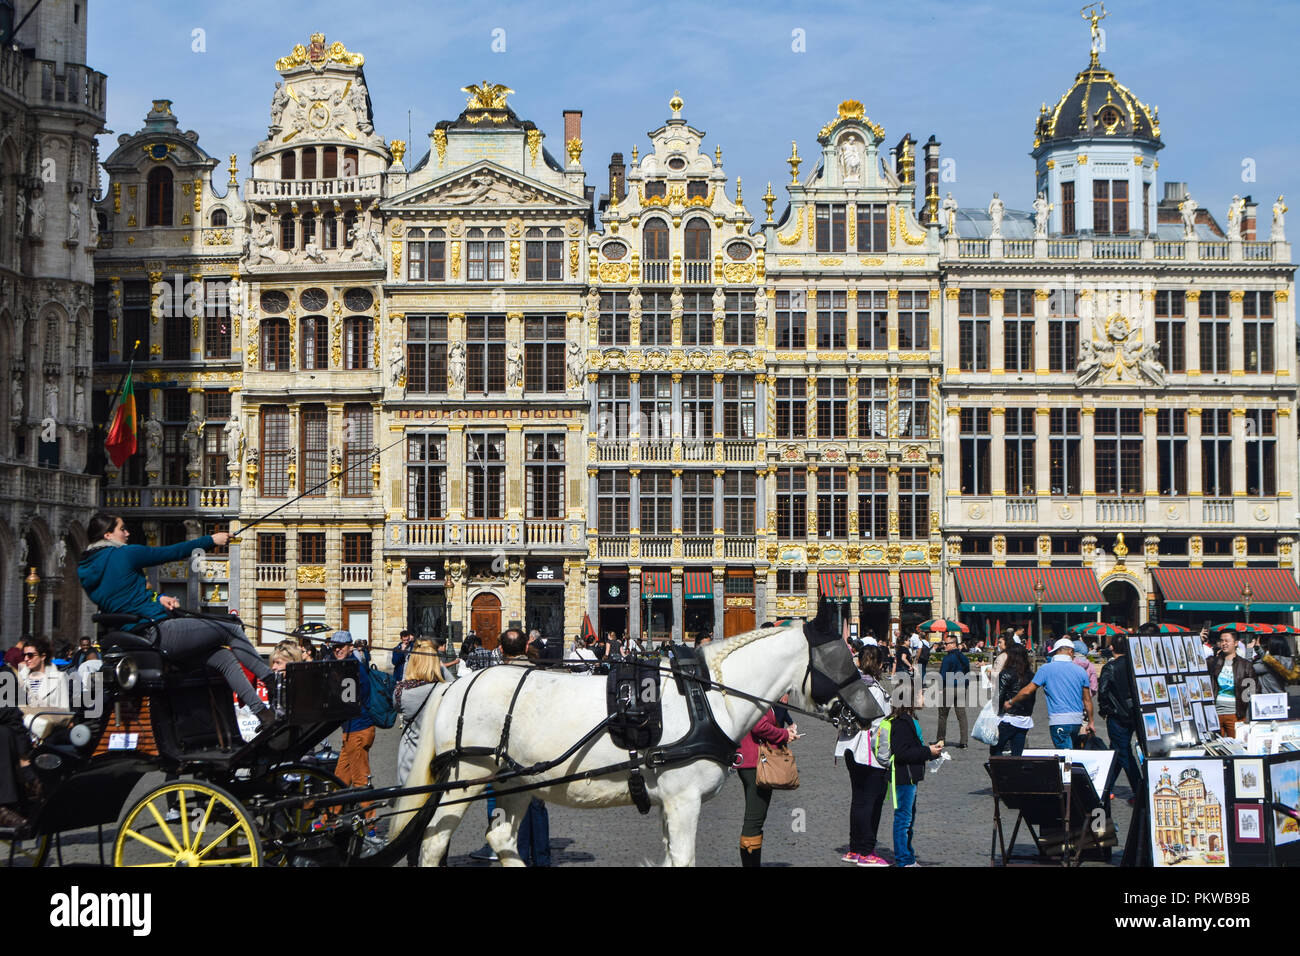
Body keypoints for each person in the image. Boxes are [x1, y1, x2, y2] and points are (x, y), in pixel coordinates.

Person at [77, 513, 276, 729]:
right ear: (107, 535)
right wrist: (211, 540)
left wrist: (158, 598)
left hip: (135, 640)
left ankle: (264, 714)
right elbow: (172, 552)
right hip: (157, 632)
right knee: (231, 628)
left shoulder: (85, 570)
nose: (127, 533)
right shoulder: (124, 554)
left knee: (223, 657)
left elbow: (123, 599)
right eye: (122, 529)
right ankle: (274, 683)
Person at [496, 628, 552, 866]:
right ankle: (541, 859)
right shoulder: (539, 673)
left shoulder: (496, 677)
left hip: (507, 752)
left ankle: (518, 856)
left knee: (512, 807)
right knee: (537, 804)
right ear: (526, 648)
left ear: (500, 650)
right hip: (536, 748)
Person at [834, 645, 891, 866]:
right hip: (869, 750)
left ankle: (854, 848)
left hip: (848, 747)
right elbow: (879, 725)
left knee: (858, 799)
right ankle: (867, 851)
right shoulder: (874, 689)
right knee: (871, 801)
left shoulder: (851, 686)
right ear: (878, 664)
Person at [881, 700, 942, 867]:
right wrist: (928, 751)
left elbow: (910, 748)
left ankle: (908, 858)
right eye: (921, 693)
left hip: (909, 776)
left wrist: (930, 751)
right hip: (903, 777)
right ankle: (903, 860)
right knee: (903, 820)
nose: (924, 697)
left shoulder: (908, 719)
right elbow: (902, 753)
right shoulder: (901, 722)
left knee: (908, 820)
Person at [735, 705, 798, 867]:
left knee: (755, 820)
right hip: (756, 762)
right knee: (754, 821)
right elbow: (759, 726)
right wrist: (784, 734)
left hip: (750, 760)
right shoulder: (755, 692)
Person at [1004, 637, 1093, 748]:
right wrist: (1091, 721)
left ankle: (1067, 765)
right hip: (1076, 720)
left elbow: (1027, 691)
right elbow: (1087, 699)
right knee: (1073, 752)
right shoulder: (1081, 671)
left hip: (1059, 719)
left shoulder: (1046, 669)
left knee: (1065, 756)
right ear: (1070, 651)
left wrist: (1011, 701)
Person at [330, 631, 376, 821]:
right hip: (350, 731)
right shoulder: (346, 665)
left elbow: (350, 699)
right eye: (335, 646)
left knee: (360, 779)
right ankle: (330, 819)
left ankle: (370, 823)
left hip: (358, 729)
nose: (337, 649)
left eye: (341, 646)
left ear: (350, 647)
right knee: (340, 778)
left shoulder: (351, 667)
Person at [1097, 635, 1141, 804]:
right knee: (1116, 749)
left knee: (1123, 752)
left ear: (1112, 648)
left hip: (1118, 714)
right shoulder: (1135, 665)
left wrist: (1105, 709)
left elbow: (1103, 690)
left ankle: (1139, 790)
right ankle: (1106, 787)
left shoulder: (1111, 667)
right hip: (1135, 714)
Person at [395, 639, 446, 786]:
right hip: (437, 756)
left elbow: (397, 708)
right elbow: (455, 687)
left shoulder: (401, 692)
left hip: (409, 756)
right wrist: (440, 668)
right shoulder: (444, 690)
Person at [992, 643, 1035, 756]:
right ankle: (1015, 773)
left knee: (996, 749)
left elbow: (999, 696)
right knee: (1017, 753)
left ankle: (999, 773)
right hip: (1024, 719)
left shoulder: (1006, 673)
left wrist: (994, 712)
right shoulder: (1031, 675)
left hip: (1007, 717)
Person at [1208, 631, 1251, 739]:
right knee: (1215, 748)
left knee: (1238, 746)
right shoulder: (1213, 662)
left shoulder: (1245, 664)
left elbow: (1253, 688)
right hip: (1215, 712)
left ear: (1236, 643)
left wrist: (1243, 708)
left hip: (1235, 713)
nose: (1224, 644)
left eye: (1227, 641)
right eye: (1221, 641)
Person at [936, 634, 971, 748]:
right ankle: (964, 741)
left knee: (943, 715)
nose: (944, 646)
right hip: (961, 688)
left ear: (953, 644)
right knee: (961, 715)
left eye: (946, 644)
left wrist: (940, 689)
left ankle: (940, 739)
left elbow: (942, 675)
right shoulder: (963, 657)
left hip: (949, 688)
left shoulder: (948, 658)